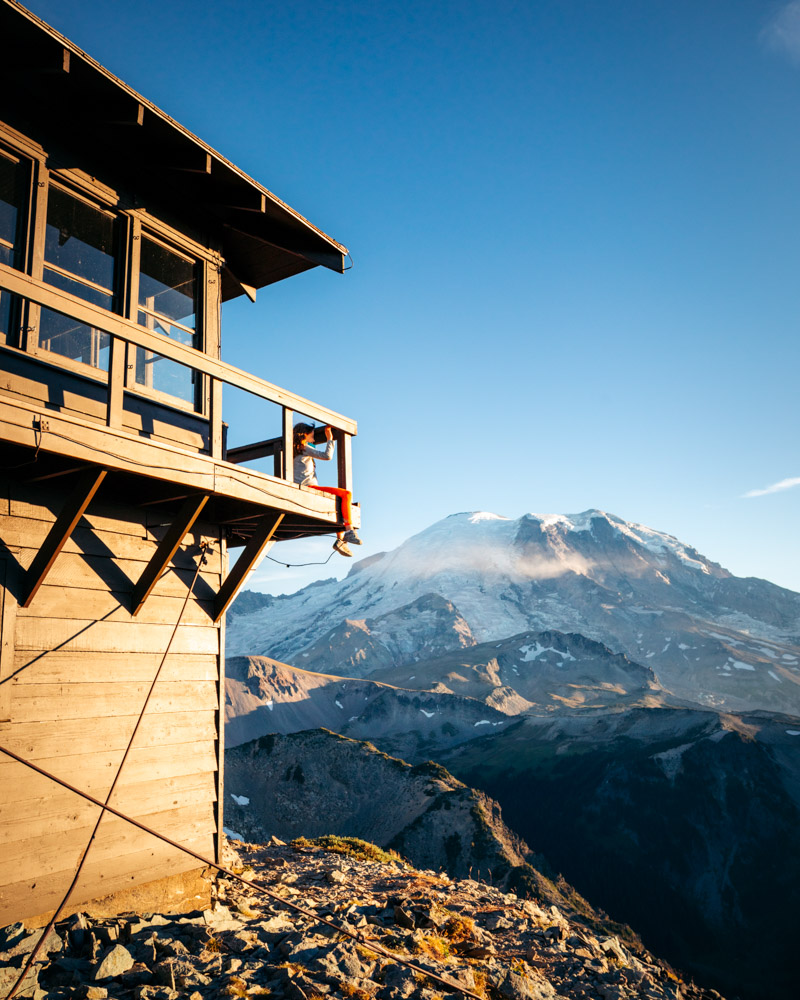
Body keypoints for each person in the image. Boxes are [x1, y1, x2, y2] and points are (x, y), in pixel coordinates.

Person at [293, 422, 362, 557]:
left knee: (337, 502)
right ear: (305, 435)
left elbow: (311, 449)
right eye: (312, 435)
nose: (314, 439)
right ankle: (349, 530)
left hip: (300, 487)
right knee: (346, 494)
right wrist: (330, 438)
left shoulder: (293, 450)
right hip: (309, 488)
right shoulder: (304, 448)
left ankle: (341, 540)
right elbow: (327, 456)